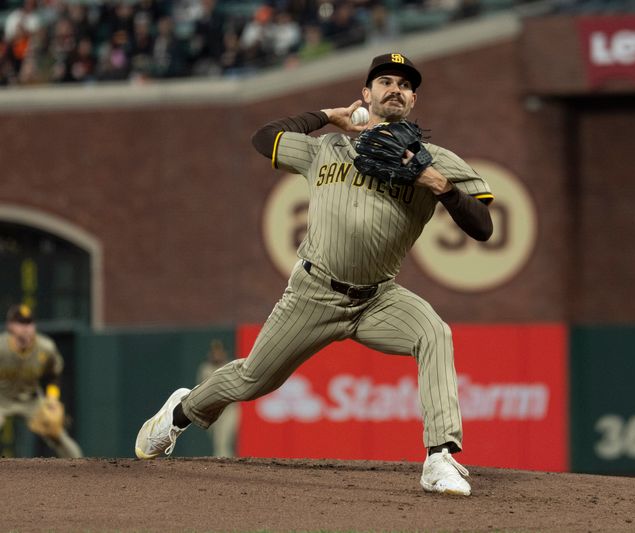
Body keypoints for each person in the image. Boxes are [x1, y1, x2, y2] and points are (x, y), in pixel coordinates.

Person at [135, 52, 494, 496]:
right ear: (367, 94)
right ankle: (180, 413)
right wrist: (326, 117)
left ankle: (439, 457)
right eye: (385, 81)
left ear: (413, 99)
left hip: (378, 299)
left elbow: (483, 227)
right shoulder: (325, 148)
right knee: (252, 378)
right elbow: (262, 138)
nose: (395, 88)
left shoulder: (436, 160)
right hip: (313, 293)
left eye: (404, 84)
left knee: (433, 333)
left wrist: (439, 184)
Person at [0, 304, 83, 458]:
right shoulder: (1, 346)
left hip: (30, 400)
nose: (25, 328)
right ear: (10, 326)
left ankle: (81, 468)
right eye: (20, 323)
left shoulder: (46, 348)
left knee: (58, 435)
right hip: (1, 399)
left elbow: (54, 375)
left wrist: (52, 399)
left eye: (29, 323)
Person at [196, 340, 239, 457]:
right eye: (214, 352)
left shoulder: (231, 366)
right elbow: (200, 390)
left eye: (219, 351)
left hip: (229, 410)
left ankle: (225, 467)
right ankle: (223, 466)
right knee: (218, 443)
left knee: (223, 442)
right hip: (212, 411)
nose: (216, 354)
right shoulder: (205, 369)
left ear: (224, 353)